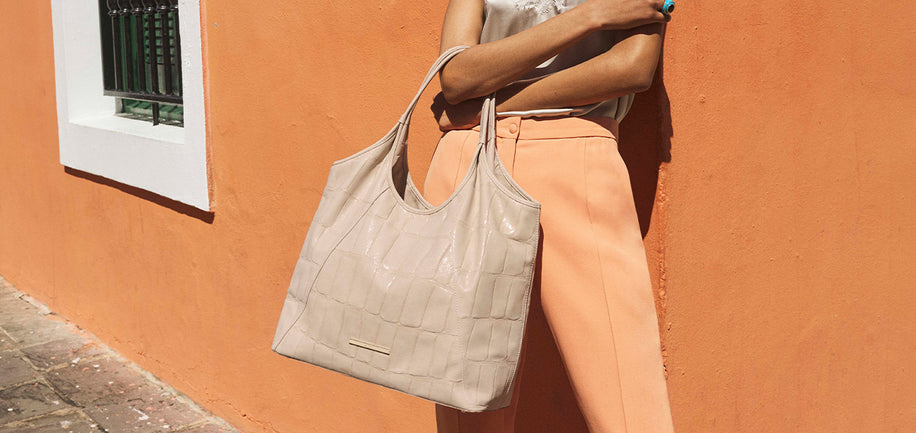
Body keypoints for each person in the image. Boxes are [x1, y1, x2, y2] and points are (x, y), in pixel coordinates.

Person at [422, 0, 675, 432]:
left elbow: (631, 69)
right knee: (467, 399)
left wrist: (488, 105)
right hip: (471, 162)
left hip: (576, 157)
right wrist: (591, 15)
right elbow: (458, 75)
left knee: (628, 395)